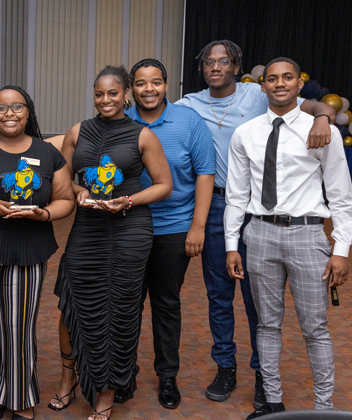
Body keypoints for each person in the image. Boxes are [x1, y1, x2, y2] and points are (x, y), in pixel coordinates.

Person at [176, 40, 337, 407]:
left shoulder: (257, 92)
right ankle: (226, 367)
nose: (215, 67)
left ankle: (264, 374)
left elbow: (312, 104)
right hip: (217, 205)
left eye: (224, 61)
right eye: (209, 62)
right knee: (219, 294)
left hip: (259, 211)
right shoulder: (190, 104)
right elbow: (152, 114)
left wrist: (325, 117)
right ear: (202, 68)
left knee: (258, 302)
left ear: (237, 66)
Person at [224, 57, 352, 419]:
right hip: (260, 235)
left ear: (300, 84)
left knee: (315, 326)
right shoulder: (245, 134)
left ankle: (324, 408)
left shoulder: (321, 129)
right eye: (272, 79)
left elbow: (341, 196)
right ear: (262, 86)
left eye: (287, 78)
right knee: (267, 324)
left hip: (307, 235)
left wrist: (340, 249)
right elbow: (236, 195)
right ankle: (272, 404)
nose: (279, 84)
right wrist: (232, 245)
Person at [53, 65, 172, 420]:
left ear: (126, 96)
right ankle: (68, 378)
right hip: (88, 227)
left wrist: (129, 200)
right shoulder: (78, 131)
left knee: (118, 308)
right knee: (71, 301)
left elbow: (164, 184)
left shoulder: (143, 135)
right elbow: (64, 181)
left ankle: (106, 392)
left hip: (129, 228)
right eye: (99, 94)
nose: (106, 100)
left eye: (113, 93)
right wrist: (80, 193)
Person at [0, 86, 75, 420]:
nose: (9, 113)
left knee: (17, 323)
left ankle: (21, 395)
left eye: (17, 107)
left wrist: (45, 214)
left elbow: (65, 199)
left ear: (28, 112)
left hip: (28, 247)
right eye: (1, 108)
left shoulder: (48, 153)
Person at [126, 58, 215, 409]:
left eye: (156, 82)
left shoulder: (189, 121)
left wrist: (198, 226)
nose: (149, 89)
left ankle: (167, 377)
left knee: (166, 303)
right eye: (141, 83)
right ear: (131, 87)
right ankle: (123, 373)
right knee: (127, 304)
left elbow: (206, 173)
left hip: (175, 227)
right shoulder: (120, 121)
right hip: (128, 227)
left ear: (166, 85)